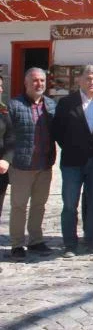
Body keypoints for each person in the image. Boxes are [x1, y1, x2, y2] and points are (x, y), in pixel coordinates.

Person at [52, 65, 93, 257]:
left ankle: (92, 240)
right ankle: (70, 244)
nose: (92, 82)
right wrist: (72, 145)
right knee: (69, 204)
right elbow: (57, 131)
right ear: (79, 80)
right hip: (72, 162)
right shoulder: (66, 103)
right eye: (88, 78)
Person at [3, 68, 57, 259]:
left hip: (44, 165)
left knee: (39, 205)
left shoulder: (51, 105)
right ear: (26, 83)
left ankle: (36, 240)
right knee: (19, 206)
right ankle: (17, 244)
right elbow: (8, 135)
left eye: (42, 80)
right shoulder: (14, 105)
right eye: (34, 81)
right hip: (21, 166)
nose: (39, 84)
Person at [0, 76, 10, 232]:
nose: (1, 89)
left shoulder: (3, 109)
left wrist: (7, 159)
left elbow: (11, 136)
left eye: (1, 86)